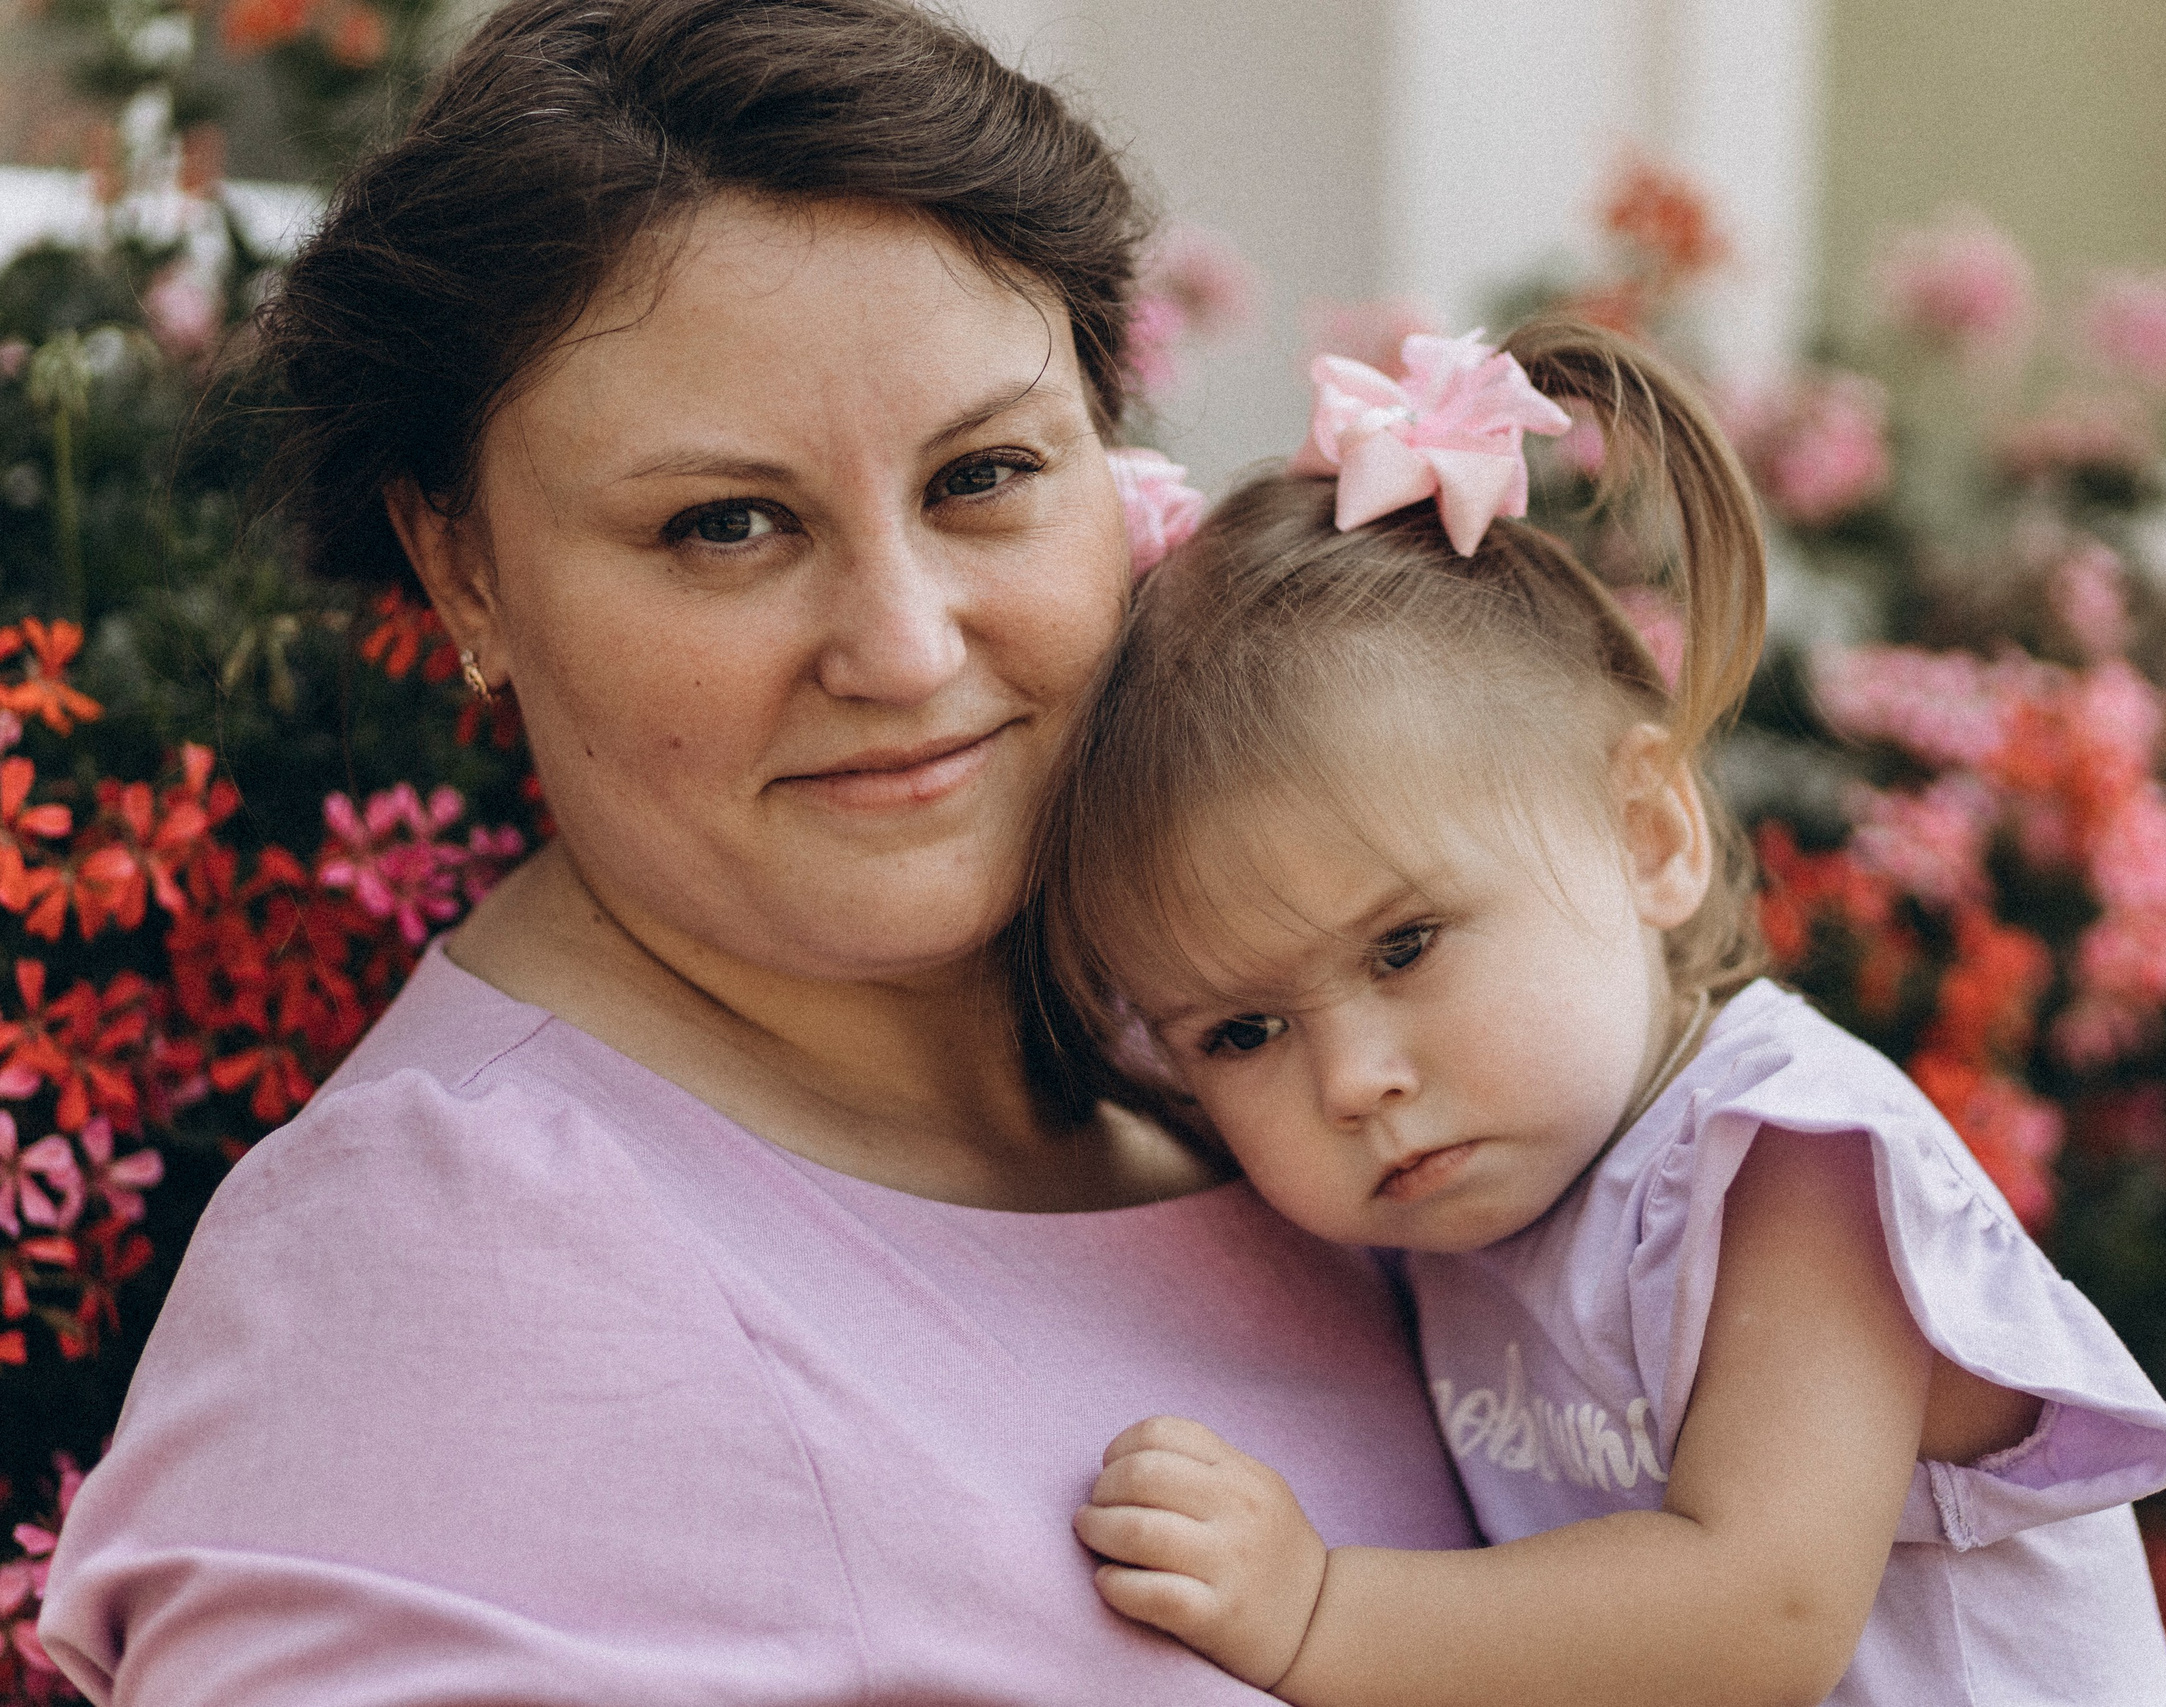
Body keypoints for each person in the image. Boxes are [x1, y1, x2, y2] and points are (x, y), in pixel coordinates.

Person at [36, 1, 1477, 1700]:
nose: (907, 647)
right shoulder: (450, 1293)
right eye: (724, 525)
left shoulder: (1265, 1054)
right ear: (466, 567)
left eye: (985, 475)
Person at [1037, 321, 2166, 1705]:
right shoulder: (1475, 1193)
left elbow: (1758, 1615)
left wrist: (1316, 1609)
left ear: (1649, 834)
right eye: (1240, 1033)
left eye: (1405, 944)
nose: (1351, 1078)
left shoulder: (1787, 1164)